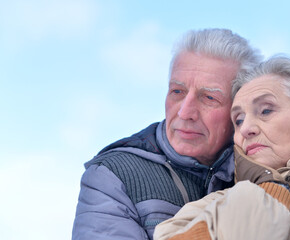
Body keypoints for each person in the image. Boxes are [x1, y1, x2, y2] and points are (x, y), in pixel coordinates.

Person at [71, 28, 262, 240]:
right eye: (177, 92)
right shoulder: (113, 176)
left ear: (240, 111)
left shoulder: (264, 173)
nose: (185, 112)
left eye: (208, 97)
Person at [154, 56, 290, 240]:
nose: (246, 129)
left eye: (266, 110)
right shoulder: (206, 209)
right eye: (239, 120)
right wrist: (264, 196)